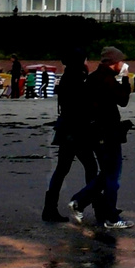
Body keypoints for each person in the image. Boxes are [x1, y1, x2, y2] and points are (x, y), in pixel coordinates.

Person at [72, 47, 134, 229]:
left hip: (95, 133)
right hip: (108, 133)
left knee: (107, 174)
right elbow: (123, 99)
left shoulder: (93, 78)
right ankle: (110, 217)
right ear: (114, 63)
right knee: (113, 176)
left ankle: (81, 202)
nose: (123, 64)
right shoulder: (106, 79)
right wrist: (125, 77)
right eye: (121, 62)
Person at [43, 47, 98, 223]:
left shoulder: (68, 77)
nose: (88, 63)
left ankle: (50, 208)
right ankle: (94, 204)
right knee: (90, 167)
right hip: (76, 131)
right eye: (86, 60)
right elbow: (82, 106)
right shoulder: (77, 79)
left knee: (62, 170)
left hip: (67, 130)